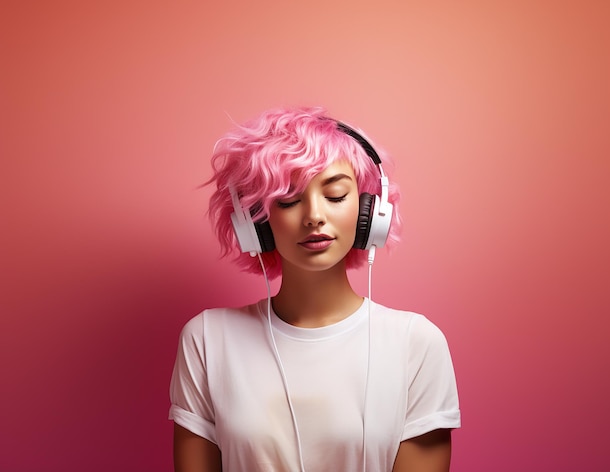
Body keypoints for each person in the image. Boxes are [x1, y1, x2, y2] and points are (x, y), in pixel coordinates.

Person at [168, 106, 461, 472]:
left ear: (370, 210)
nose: (313, 216)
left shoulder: (416, 344)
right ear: (254, 221)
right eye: (288, 200)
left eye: (336, 195)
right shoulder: (208, 339)